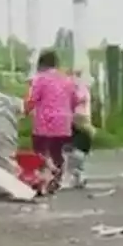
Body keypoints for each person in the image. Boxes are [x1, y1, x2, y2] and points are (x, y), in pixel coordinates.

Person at [23, 50, 80, 186]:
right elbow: (75, 99)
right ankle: (57, 177)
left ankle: (44, 176)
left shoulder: (40, 78)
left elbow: (33, 99)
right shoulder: (67, 79)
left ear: (41, 64)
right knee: (57, 151)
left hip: (45, 121)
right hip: (64, 122)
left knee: (40, 150)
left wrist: (25, 111)